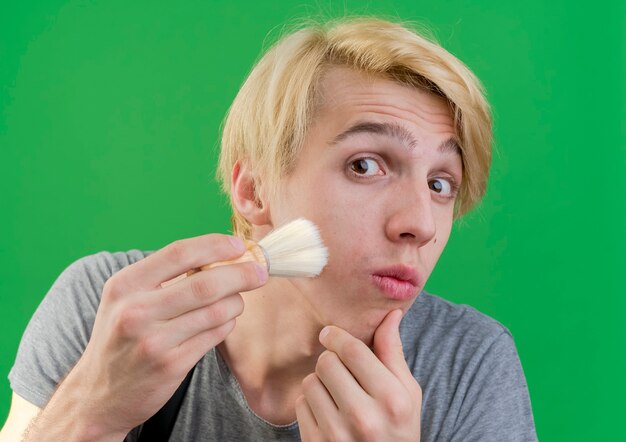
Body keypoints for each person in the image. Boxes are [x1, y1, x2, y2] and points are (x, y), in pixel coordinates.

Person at [1, 17, 537, 441]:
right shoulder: (106, 311)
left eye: (441, 183)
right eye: (365, 165)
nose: (419, 224)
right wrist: (87, 415)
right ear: (254, 190)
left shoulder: (468, 365)